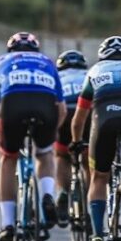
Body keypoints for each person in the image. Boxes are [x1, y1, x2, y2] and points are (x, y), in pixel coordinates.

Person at [0, 32, 65, 241]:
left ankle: (8, 224)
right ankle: (46, 196)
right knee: (44, 155)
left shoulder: (1, 61)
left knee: (8, 160)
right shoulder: (47, 62)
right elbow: (61, 109)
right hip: (45, 108)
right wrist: (53, 131)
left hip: (12, 106)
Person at [69, 35, 121, 241]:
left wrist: (76, 141)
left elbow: (80, 117)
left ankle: (97, 236)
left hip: (104, 121)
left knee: (99, 177)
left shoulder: (94, 71)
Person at [52, 49, 88, 224]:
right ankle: (89, 198)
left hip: (65, 113)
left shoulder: (56, 77)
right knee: (89, 159)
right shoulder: (88, 74)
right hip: (87, 113)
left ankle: (64, 193)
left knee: (62, 155)